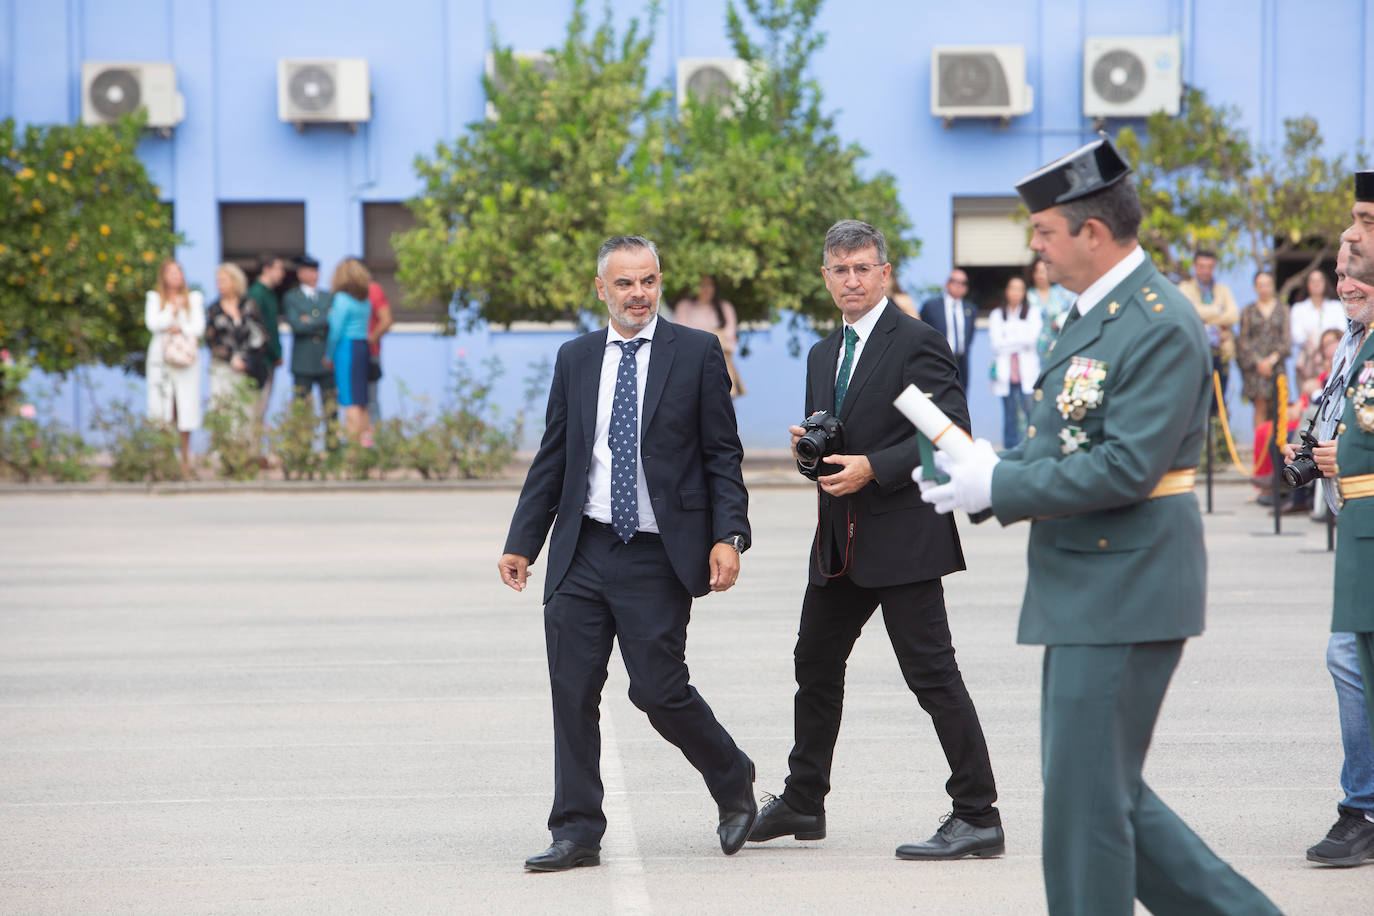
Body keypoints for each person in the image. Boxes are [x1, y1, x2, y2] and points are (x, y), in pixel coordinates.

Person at [919, 136, 1280, 915]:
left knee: (1086, 799)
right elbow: (1065, 443)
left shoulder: (1157, 319)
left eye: (1044, 231)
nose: (1035, 247)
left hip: (1129, 577)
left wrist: (1003, 481)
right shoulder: (1093, 314)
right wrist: (983, 471)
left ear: (1091, 231)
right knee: (1093, 790)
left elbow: (1126, 468)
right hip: (1087, 578)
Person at [498, 235, 756, 871]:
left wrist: (730, 535)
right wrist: (522, 542)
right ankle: (577, 829)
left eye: (647, 281)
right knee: (572, 689)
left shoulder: (696, 352)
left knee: (659, 691)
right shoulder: (577, 357)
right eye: (625, 284)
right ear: (601, 290)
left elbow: (723, 454)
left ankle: (733, 778)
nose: (638, 294)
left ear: (659, 282)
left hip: (656, 552)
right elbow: (554, 453)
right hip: (582, 547)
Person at [748, 220, 1004, 861]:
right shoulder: (821, 354)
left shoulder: (916, 342)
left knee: (932, 676)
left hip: (904, 536)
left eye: (863, 268)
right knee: (814, 664)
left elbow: (953, 437)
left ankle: (978, 814)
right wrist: (813, 454)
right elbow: (834, 441)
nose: (852, 280)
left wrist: (875, 467)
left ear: (884, 273)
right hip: (840, 541)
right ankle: (805, 802)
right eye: (840, 270)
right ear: (826, 277)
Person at [1288, 183, 1374, 866]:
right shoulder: (1354, 339)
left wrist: (1339, 455)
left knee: (1348, 657)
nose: (1349, 271)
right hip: (1356, 523)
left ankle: (1362, 806)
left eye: (1365, 229)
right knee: (1353, 658)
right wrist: (1314, 450)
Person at [144, 258, 204, 475]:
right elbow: (154, 324)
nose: (175, 276)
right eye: (170, 272)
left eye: (178, 271)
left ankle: (186, 462)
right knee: (161, 409)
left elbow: (197, 327)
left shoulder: (193, 298)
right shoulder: (155, 299)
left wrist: (179, 328)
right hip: (161, 360)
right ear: (163, 276)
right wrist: (171, 308)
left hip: (185, 359)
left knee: (185, 409)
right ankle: (164, 460)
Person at [283, 255, 337, 447]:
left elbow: (333, 322)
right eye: (309, 271)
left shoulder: (327, 297)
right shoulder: (292, 297)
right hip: (303, 361)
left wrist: (311, 320)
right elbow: (297, 325)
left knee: (330, 408)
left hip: (325, 359)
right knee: (302, 408)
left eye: (316, 271)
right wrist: (322, 320)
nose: (314, 275)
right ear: (300, 273)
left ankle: (333, 449)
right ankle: (301, 450)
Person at [1177, 249, 1239, 411]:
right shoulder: (1185, 288)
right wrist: (1218, 311)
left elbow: (1233, 315)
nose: (1205, 270)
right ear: (1195, 266)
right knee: (1193, 401)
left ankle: (1216, 434)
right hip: (1194, 353)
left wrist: (1204, 319)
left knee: (1217, 402)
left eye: (1209, 266)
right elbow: (1189, 312)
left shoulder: (1222, 289)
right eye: (1201, 266)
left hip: (1220, 352)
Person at [323, 258, 374, 442]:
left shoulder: (342, 299)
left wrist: (329, 355)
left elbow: (335, 331)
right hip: (362, 346)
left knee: (348, 400)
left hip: (347, 348)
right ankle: (364, 446)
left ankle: (352, 450)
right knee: (361, 400)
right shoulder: (364, 300)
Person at [988, 274, 1041, 448]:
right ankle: (1010, 450)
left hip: (1026, 372)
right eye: (1013, 288)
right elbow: (997, 344)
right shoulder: (997, 314)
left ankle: (1032, 448)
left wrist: (1009, 339)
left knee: (1030, 413)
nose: (1016, 293)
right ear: (1006, 291)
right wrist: (1019, 340)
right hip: (1006, 373)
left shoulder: (1032, 313)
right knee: (1009, 415)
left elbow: (1031, 341)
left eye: (1020, 289)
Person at [204, 262, 268, 406]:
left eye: (224, 281)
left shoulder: (249, 306)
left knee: (247, 410)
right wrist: (231, 358)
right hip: (223, 368)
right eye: (218, 281)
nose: (220, 285)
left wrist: (247, 360)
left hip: (248, 369)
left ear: (235, 281)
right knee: (223, 410)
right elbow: (211, 340)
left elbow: (262, 335)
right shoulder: (214, 310)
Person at [672, 275, 744, 397]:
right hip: (691, 371)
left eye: (709, 285)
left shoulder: (725, 308)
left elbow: (729, 339)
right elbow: (681, 337)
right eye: (702, 285)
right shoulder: (684, 307)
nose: (706, 289)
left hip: (719, 370)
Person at [246, 254, 286, 424]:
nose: (282, 273)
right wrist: (274, 352)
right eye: (279, 268)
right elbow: (259, 330)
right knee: (255, 407)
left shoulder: (270, 294)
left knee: (262, 408)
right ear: (266, 269)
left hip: (269, 358)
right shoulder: (256, 294)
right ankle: (250, 449)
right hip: (259, 360)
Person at [920, 268, 976, 389]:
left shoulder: (970, 309)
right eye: (955, 281)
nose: (958, 286)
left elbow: (969, 335)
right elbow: (923, 333)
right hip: (938, 361)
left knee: (961, 397)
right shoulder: (932, 307)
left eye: (963, 283)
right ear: (947, 284)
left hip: (961, 361)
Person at [1289, 266, 1345, 371]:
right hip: (1309, 360)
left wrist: (1326, 343)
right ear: (1307, 284)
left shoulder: (1336, 306)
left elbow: (1342, 330)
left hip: (1333, 356)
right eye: (1313, 281)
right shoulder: (1298, 308)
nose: (1316, 284)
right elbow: (1296, 335)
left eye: (1319, 280)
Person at [1028, 256, 1074, 359]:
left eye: (1043, 271)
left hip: (1058, 344)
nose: (1040, 276)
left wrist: (1060, 321)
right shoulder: (1028, 296)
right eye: (1037, 271)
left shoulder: (1062, 293)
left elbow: (1075, 310)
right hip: (1032, 350)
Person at [365, 280, 393, 422]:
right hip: (347, 355)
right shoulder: (343, 292)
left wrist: (369, 341)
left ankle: (374, 441)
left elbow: (386, 320)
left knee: (371, 401)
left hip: (370, 354)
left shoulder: (372, 289)